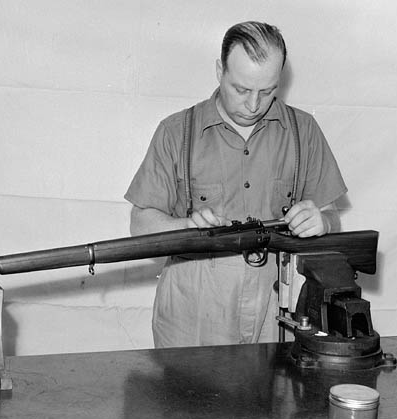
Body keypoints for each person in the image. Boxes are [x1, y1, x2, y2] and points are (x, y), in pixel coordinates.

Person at [125, 21, 347, 348]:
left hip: (276, 303)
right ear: (220, 71)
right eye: (241, 90)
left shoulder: (305, 131)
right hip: (194, 306)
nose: (254, 105)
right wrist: (186, 226)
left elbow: (333, 219)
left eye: (267, 91)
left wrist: (322, 221)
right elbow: (140, 224)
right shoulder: (176, 132)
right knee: (188, 399)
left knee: (275, 399)